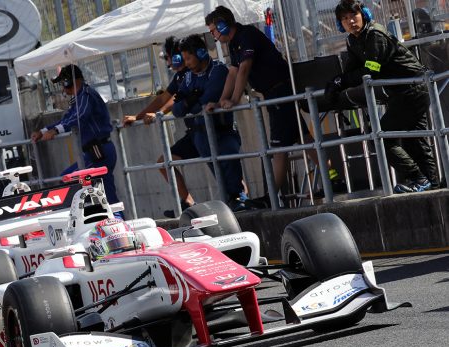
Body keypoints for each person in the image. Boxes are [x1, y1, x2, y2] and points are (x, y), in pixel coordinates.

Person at [205, 6, 344, 206]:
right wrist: (221, 101)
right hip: (276, 92)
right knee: (304, 138)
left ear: (223, 26)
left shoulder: (246, 35)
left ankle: (271, 197)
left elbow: (244, 70)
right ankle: (334, 178)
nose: (213, 36)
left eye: (213, 31)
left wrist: (233, 100)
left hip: (279, 92)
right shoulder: (235, 43)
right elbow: (233, 72)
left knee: (279, 149)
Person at [326, 0, 438, 193]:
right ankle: (431, 184)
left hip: (413, 89)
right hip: (402, 91)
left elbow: (372, 69)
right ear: (340, 24)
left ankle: (418, 178)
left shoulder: (375, 34)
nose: (350, 21)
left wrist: (341, 81)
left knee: (382, 137)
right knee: (416, 141)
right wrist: (336, 82)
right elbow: (351, 70)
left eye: (353, 15)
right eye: (344, 18)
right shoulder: (353, 40)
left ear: (364, 14)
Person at [123, 37, 198, 218]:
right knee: (164, 162)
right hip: (195, 133)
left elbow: (175, 100)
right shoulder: (179, 76)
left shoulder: (192, 73)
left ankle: (240, 201)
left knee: (223, 165)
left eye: (169, 58)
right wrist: (137, 117)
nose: (168, 62)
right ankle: (188, 203)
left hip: (208, 129)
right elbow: (163, 98)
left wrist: (159, 113)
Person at [171, 34, 247, 212]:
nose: (186, 63)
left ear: (201, 53)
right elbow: (177, 110)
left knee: (230, 163)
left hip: (223, 130)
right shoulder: (188, 77)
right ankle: (231, 202)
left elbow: (207, 99)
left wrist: (191, 100)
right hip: (201, 135)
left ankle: (239, 200)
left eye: (189, 58)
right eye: (184, 59)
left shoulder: (218, 70)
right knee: (219, 173)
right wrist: (190, 101)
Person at [30, 64, 120, 208]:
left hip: (98, 152)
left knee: (67, 180)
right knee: (107, 195)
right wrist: (43, 131)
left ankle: (81, 217)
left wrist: (55, 131)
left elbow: (79, 117)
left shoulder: (85, 95)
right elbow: (67, 119)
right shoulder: (80, 97)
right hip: (98, 151)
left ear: (69, 81)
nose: (62, 88)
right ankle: (116, 219)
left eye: (62, 83)